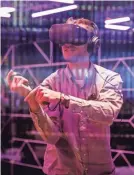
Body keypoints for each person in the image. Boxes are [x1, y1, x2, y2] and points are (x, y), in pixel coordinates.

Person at [6, 17, 123, 175]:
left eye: (77, 36)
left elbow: (108, 113)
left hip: (100, 170)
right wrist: (32, 101)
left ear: (92, 44)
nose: (68, 43)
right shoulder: (52, 82)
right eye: (65, 37)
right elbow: (52, 137)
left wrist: (64, 99)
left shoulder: (110, 78)